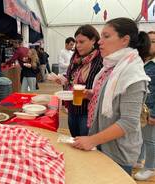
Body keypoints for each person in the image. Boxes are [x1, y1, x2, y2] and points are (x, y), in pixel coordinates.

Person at [72, 18, 150, 175]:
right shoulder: (113, 66)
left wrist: (92, 140)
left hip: (117, 152)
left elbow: (128, 122)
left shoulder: (132, 74)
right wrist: (93, 94)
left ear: (124, 40)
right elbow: (112, 97)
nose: (99, 42)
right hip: (103, 144)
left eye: (106, 36)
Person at [56, 25, 103, 137]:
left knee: (85, 144)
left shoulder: (100, 59)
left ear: (93, 40)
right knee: (74, 139)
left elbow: (103, 87)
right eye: (76, 42)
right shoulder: (75, 57)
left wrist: (89, 93)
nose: (78, 46)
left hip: (87, 111)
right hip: (72, 108)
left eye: (82, 42)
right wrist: (64, 80)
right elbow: (69, 76)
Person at [134, 31, 155, 181]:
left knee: (150, 139)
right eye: (149, 41)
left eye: (154, 41)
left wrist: (154, 114)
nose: (150, 44)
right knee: (140, 136)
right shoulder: (140, 61)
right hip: (140, 108)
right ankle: (140, 160)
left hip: (151, 110)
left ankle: (150, 167)